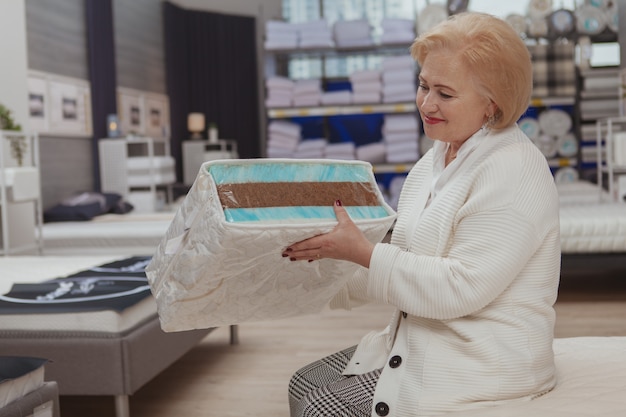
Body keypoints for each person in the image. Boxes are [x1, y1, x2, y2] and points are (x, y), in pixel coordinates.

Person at [282, 11, 561, 417]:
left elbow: (458, 287)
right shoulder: (435, 161)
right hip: (425, 333)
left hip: (484, 360)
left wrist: (362, 253)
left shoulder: (513, 169)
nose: (426, 104)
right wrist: (323, 262)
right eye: (423, 85)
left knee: (318, 408)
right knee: (302, 383)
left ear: (492, 103)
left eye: (445, 94)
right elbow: (407, 257)